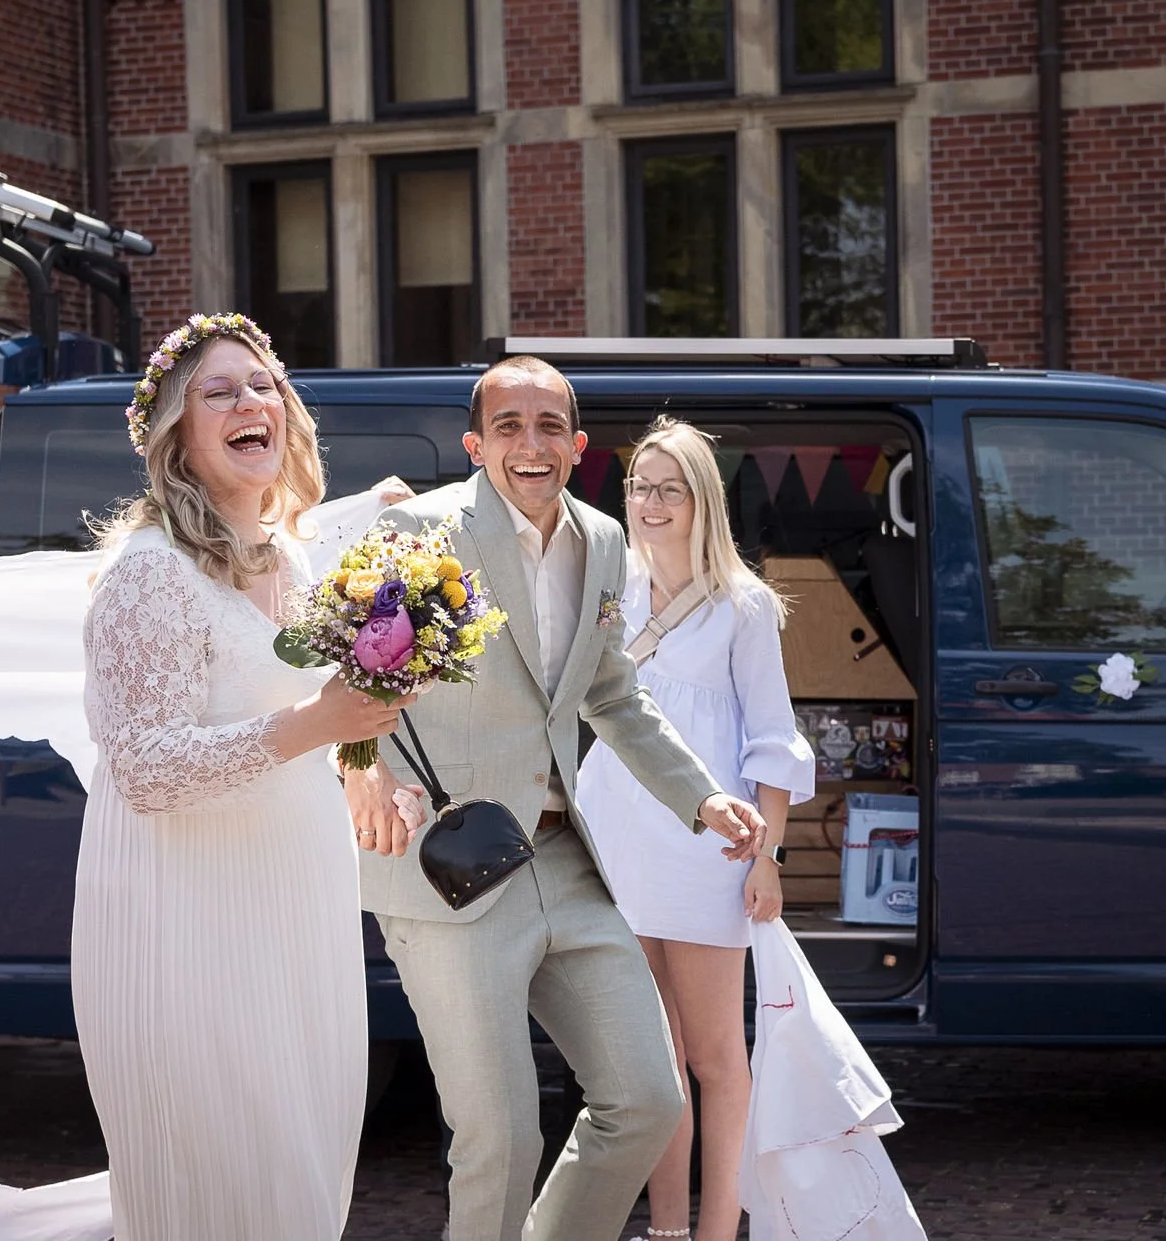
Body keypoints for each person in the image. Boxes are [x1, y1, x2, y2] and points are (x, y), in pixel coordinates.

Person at [343, 357, 767, 1241]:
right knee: (499, 1137)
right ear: (475, 443)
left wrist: (702, 799)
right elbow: (350, 672)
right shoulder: (417, 530)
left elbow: (612, 695)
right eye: (508, 426)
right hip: (450, 871)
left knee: (648, 1099)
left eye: (548, 428)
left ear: (577, 447)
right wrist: (362, 767)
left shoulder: (606, 541)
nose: (528, 445)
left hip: (565, 858)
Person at [72, 312, 413, 1240]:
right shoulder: (150, 576)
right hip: (187, 927)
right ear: (177, 434)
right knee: (221, 1190)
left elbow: (294, 702)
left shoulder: (293, 558)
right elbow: (142, 766)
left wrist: (362, 767)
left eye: (262, 384)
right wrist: (316, 725)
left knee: (301, 1181)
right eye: (217, 392)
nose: (249, 400)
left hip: (295, 917)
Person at [577, 417, 816, 1241]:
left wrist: (769, 860)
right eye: (638, 485)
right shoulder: (608, 590)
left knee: (717, 1059)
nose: (647, 502)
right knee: (651, 1064)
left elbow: (773, 741)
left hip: (711, 850)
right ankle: (668, 1230)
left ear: (700, 499)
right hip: (613, 841)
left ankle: (719, 1230)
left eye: (666, 487)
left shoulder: (744, 605)